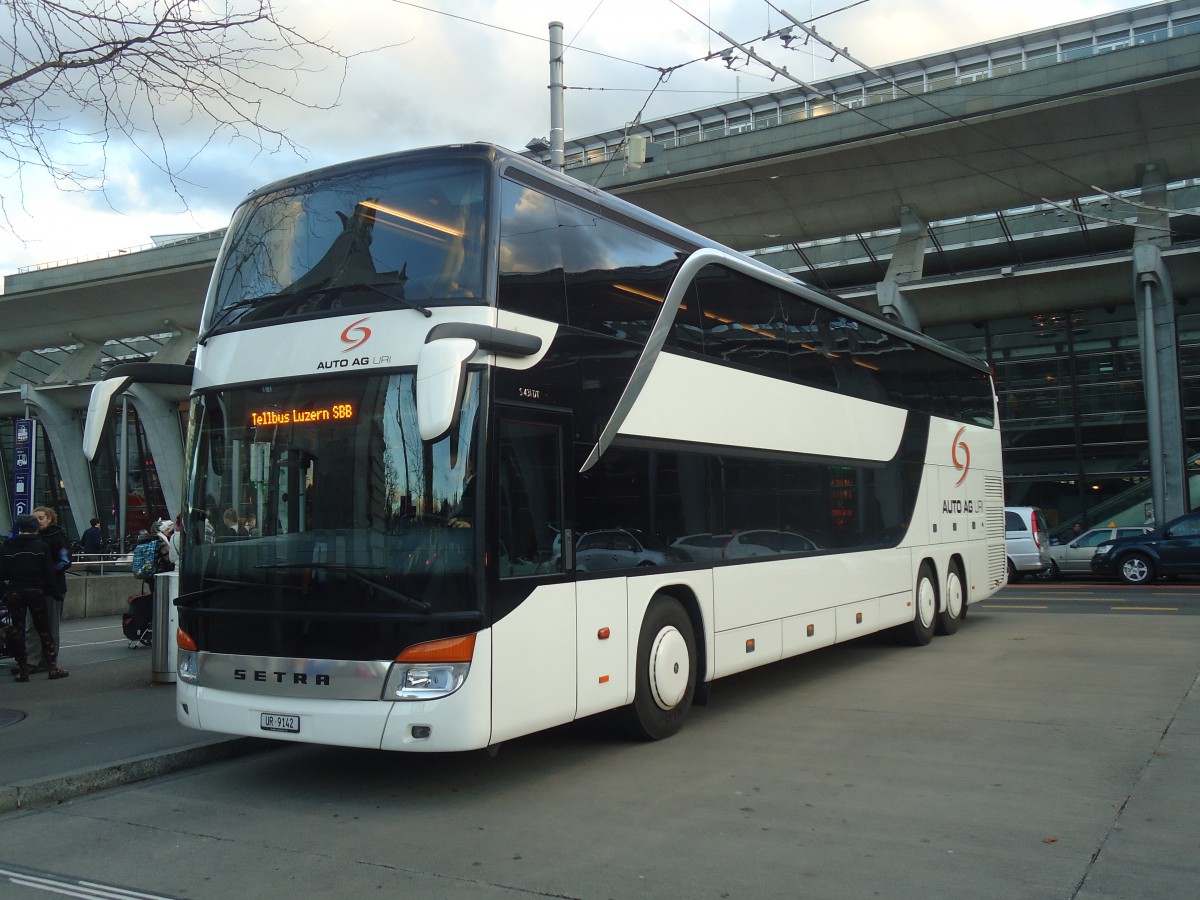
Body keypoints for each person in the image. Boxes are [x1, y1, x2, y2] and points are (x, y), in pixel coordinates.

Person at [2, 514, 68, 681]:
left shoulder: (8, 545)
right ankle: (52, 666)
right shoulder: (41, 546)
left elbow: (2, 572)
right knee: (44, 629)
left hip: (16, 590)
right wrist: (56, 593)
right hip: (36, 590)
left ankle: (23, 668)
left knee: (19, 629)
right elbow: (49, 573)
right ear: (34, 528)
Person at [24, 506, 71, 671]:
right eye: (35, 518)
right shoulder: (32, 538)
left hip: (52, 588)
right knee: (31, 627)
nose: (38, 521)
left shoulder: (57, 538)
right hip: (34, 587)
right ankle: (32, 660)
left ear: (50, 519)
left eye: (41, 518)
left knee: (50, 626)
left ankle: (48, 660)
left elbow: (65, 561)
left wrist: (46, 573)